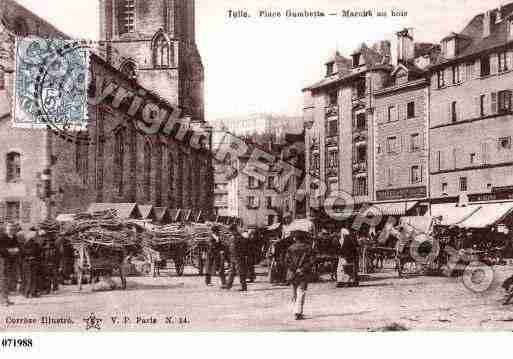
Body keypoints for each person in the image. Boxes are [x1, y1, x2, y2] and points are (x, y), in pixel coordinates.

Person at [285, 231, 316, 320]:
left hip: (292, 273)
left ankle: (295, 310)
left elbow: (286, 261)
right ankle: (298, 312)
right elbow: (312, 261)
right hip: (303, 272)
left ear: (295, 239)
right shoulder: (308, 248)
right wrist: (302, 269)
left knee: (294, 292)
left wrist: (294, 269)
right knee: (301, 291)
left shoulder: (290, 248)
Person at [222, 224, 248, 292]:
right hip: (233, 257)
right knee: (231, 272)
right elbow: (229, 247)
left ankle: (244, 286)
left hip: (239, 257)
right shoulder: (232, 237)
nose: (231, 232)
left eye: (231, 231)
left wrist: (242, 255)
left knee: (240, 272)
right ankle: (228, 285)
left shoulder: (239, 237)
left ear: (234, 230)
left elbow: (244, 248)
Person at [0, 223, 21, 306]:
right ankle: (3, 299)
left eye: (12, 228)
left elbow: (18, 246)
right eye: (9, 228)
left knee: (9, 280)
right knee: (3, 280)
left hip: (11, 261)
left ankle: (6, 298)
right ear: (6, 229)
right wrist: (9, 251)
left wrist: (16, 250)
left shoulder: (14, 237)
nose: (11, 230)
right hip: (3, 260)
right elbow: (1, 249)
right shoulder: (2, 237)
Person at [21, 229, 41, 298]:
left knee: (28, 278)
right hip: (33, 262)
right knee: (33, 277)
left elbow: (22, 254)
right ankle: (32, 292)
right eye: (35, 236)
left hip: (26, 262)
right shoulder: (36, 245)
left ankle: (26, 293)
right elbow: (38, 254)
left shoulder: (24, 245)